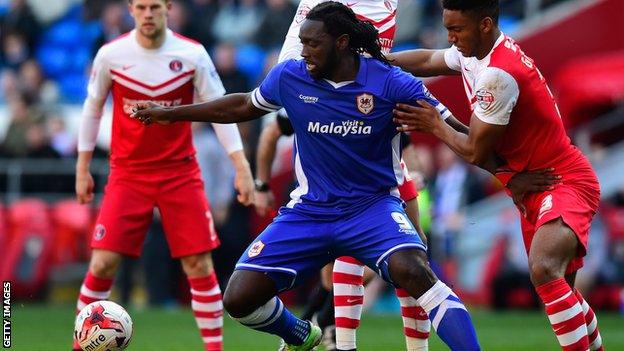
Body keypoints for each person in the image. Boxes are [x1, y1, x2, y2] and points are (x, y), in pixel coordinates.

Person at [133, 2, 482, 351]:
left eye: (312, 43)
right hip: (310, 211)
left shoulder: (390, 82)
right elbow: (241, 106)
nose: (303, 52)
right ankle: (303, 336)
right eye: (302, 42)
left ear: (342, 42)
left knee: (416, 270)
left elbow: (456, 130)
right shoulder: (291, 76)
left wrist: (508, 165)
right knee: (237, 298)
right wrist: (173, 114)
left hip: (371, 208)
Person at [390, 1, 604, 350]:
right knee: (563, 289)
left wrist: (434, 125)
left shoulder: (498, 75)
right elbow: (429, 59)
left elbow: (475, 150)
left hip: (562, 180)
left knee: (543, 269)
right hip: (531, 186)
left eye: (456, 29)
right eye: (448, 28)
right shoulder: (474, 53)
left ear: (485, 24)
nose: (451, 37)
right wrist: (380, 62)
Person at [72, 1, 255, 350]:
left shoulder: (192, 54)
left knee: (199, 264)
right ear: (131, 8)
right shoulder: (111, 55)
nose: (148, 13)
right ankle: (80, 346)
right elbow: (92, 107)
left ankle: (214, 349)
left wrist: (241, 167)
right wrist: (82, 168)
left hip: (179, 171)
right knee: (104, 261)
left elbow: (220, 110)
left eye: (155, 6)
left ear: (168, 7)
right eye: (141, 7)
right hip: (128, 172)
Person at [254, 2, 432, 350]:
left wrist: (419, 185)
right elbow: (269, 132)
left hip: (377, 190)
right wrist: (260, 182)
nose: (307, 53)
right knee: (338, 268)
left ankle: (323, 331)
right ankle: (326, 333)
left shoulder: (378, 96)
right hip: (319, 188)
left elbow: (405, 151)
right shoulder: (305, 90)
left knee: (404, 267)